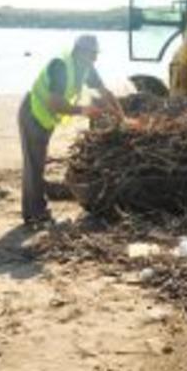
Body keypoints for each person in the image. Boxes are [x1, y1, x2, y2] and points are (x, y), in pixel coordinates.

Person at [18, 34, 127, 227]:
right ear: (79, 51)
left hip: (46, 119)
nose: (95, 59)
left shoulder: (86, 67)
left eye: (96, 54)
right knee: (34, 166)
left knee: (38, 162)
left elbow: (104, 91)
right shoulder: (60, 65)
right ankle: (35, 215)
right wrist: (84, 110)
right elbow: (54, 103)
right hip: (33, 114)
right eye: (92, 54)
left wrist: (122, 117)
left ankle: (37, 208)